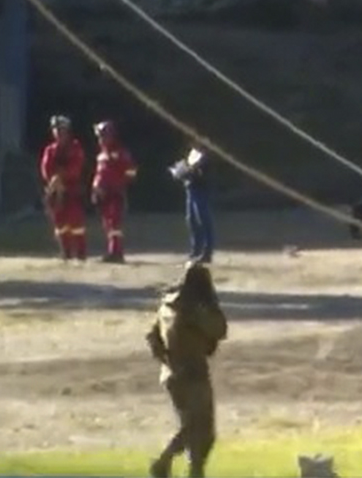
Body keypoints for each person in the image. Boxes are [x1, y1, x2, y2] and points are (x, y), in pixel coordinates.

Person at [145, 261, 228, 478]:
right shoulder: (195, 308)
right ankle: (169, 463)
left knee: (191, 427)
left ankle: (189, 468)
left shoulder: (167, 306)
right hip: (193, 373)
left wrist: (166, 360)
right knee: (200, 429)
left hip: (172, 374)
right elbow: (219, 329)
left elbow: (152, 337)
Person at [39, 115, 87, 262]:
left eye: (61, 130)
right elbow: (45, 168)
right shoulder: (50, 150)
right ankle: (65, 252)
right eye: (55, 130)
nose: (58, 134)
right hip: (56, 191)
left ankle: (80, 253)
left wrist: (61, 176)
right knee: (60, 222)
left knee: (76, 222)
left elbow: (77, 167)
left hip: (72, 190)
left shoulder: (75, 147)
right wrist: (52, 180)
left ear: (67, 131)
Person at [91, 120, 138, 263]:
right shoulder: (101, 155)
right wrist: (96, 189)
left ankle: (116, 253)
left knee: (114, 224)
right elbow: (99, 174)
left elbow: (131, 172)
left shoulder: (121, 154)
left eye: (103, 136)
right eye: (99, 137)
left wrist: (116, 185)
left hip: (115, 195)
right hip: (103, 195)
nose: (101, 140)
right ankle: (112, 251)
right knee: (108, 224)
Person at [169, 142, 214, 264]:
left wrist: (187, 171)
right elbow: (189, 167)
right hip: (190, 188)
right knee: (191, 220)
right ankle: (196, 249)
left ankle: (206, 252)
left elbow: (198, 171)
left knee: (203, 219)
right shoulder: (193, 153)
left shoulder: (204, 155)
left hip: (200, 189)